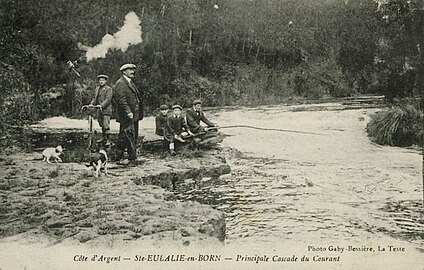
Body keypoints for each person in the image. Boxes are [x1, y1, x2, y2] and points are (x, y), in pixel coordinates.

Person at [113, 63, 144, 165]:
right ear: (124, 71)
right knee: (123, 135)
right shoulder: (120, 83)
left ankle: (132, 157)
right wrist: (128, 112)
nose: (132, 71)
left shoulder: (130, 82)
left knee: (133, 135)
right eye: (130, 70)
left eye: (133, 70)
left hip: (133, 115)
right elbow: (121, 100)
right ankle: (119, 157)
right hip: (126, 115)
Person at [89, 74, 113, 146]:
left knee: (106, 125)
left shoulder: (109, 89)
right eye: (100, 80)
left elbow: (108, 99)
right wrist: (91, 104)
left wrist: (101, 105)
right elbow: (94, 98)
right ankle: (104, 138)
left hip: (106, 110)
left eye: (103, 80)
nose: (101, 81)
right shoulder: (97, 89)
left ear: (105, 81)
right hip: (99, 109)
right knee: (101, 124)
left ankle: (108, 139)